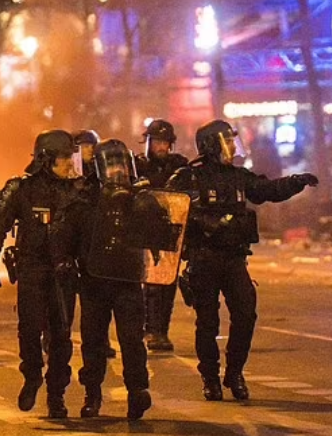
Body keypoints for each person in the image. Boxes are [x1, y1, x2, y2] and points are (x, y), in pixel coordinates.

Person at [167, 119, 318, 402]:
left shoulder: (238, 176)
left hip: (234, 258)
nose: (231, 148)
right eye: (225, 142)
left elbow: (267, 190)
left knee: (246, 314)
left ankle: (234, 372)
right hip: (204, 258)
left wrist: (296, 182)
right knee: (208, 323)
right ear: (210, 147)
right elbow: (170, 210)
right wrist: (203, 221)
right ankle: (210, 378)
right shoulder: (190, 177)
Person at [51, 139, 161, 421]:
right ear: (99, 167)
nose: (117, 170)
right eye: (111, 164)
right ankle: (93, 395)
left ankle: (137, 392)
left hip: (127, 279)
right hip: (94, 280)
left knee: (132, 341)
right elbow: (65, 232)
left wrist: (145, 205)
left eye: (121, 164)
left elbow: (160, 229)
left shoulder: (141, 197)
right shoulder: (84, 198)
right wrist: (63, 259)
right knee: (93, 342)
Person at [0, 130, 82, 418]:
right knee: (29, 329)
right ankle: (32, 376)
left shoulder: (78, 190)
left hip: (63, 273)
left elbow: (90, 235)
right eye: (63, 158)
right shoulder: (21, 190)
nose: (68, 164)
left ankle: (57, 395)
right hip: (32, 269)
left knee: (61, 337)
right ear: (46, 159)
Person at [134, 119, 188, 352]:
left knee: (168, 283)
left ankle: (160, 330)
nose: (161, 147)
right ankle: (151, 330)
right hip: (144, 231)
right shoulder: (138, 166)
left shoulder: (179, 166)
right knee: (151, 284)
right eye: (157, 142)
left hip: (171, 230)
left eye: (165, 142)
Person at [71, 129, 117, 359]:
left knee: (99, 298)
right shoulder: (68, 175)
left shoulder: (102, 174)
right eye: (84, 146)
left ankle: (101, 340)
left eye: (92, 145)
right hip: (74, 244)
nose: (89, 150)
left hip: (96, 243)